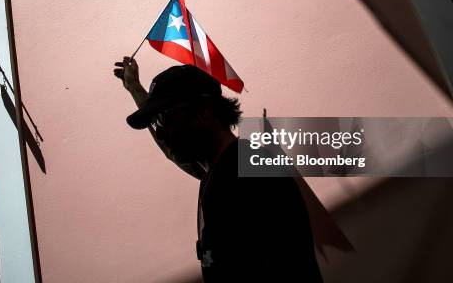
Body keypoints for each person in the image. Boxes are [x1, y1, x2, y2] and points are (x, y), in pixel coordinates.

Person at [114, 57, 323, 282]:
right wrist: (135, 88)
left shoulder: (248, 172)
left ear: (203, 110)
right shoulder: (226, 171)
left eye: (165, 118)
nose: (162, 132)